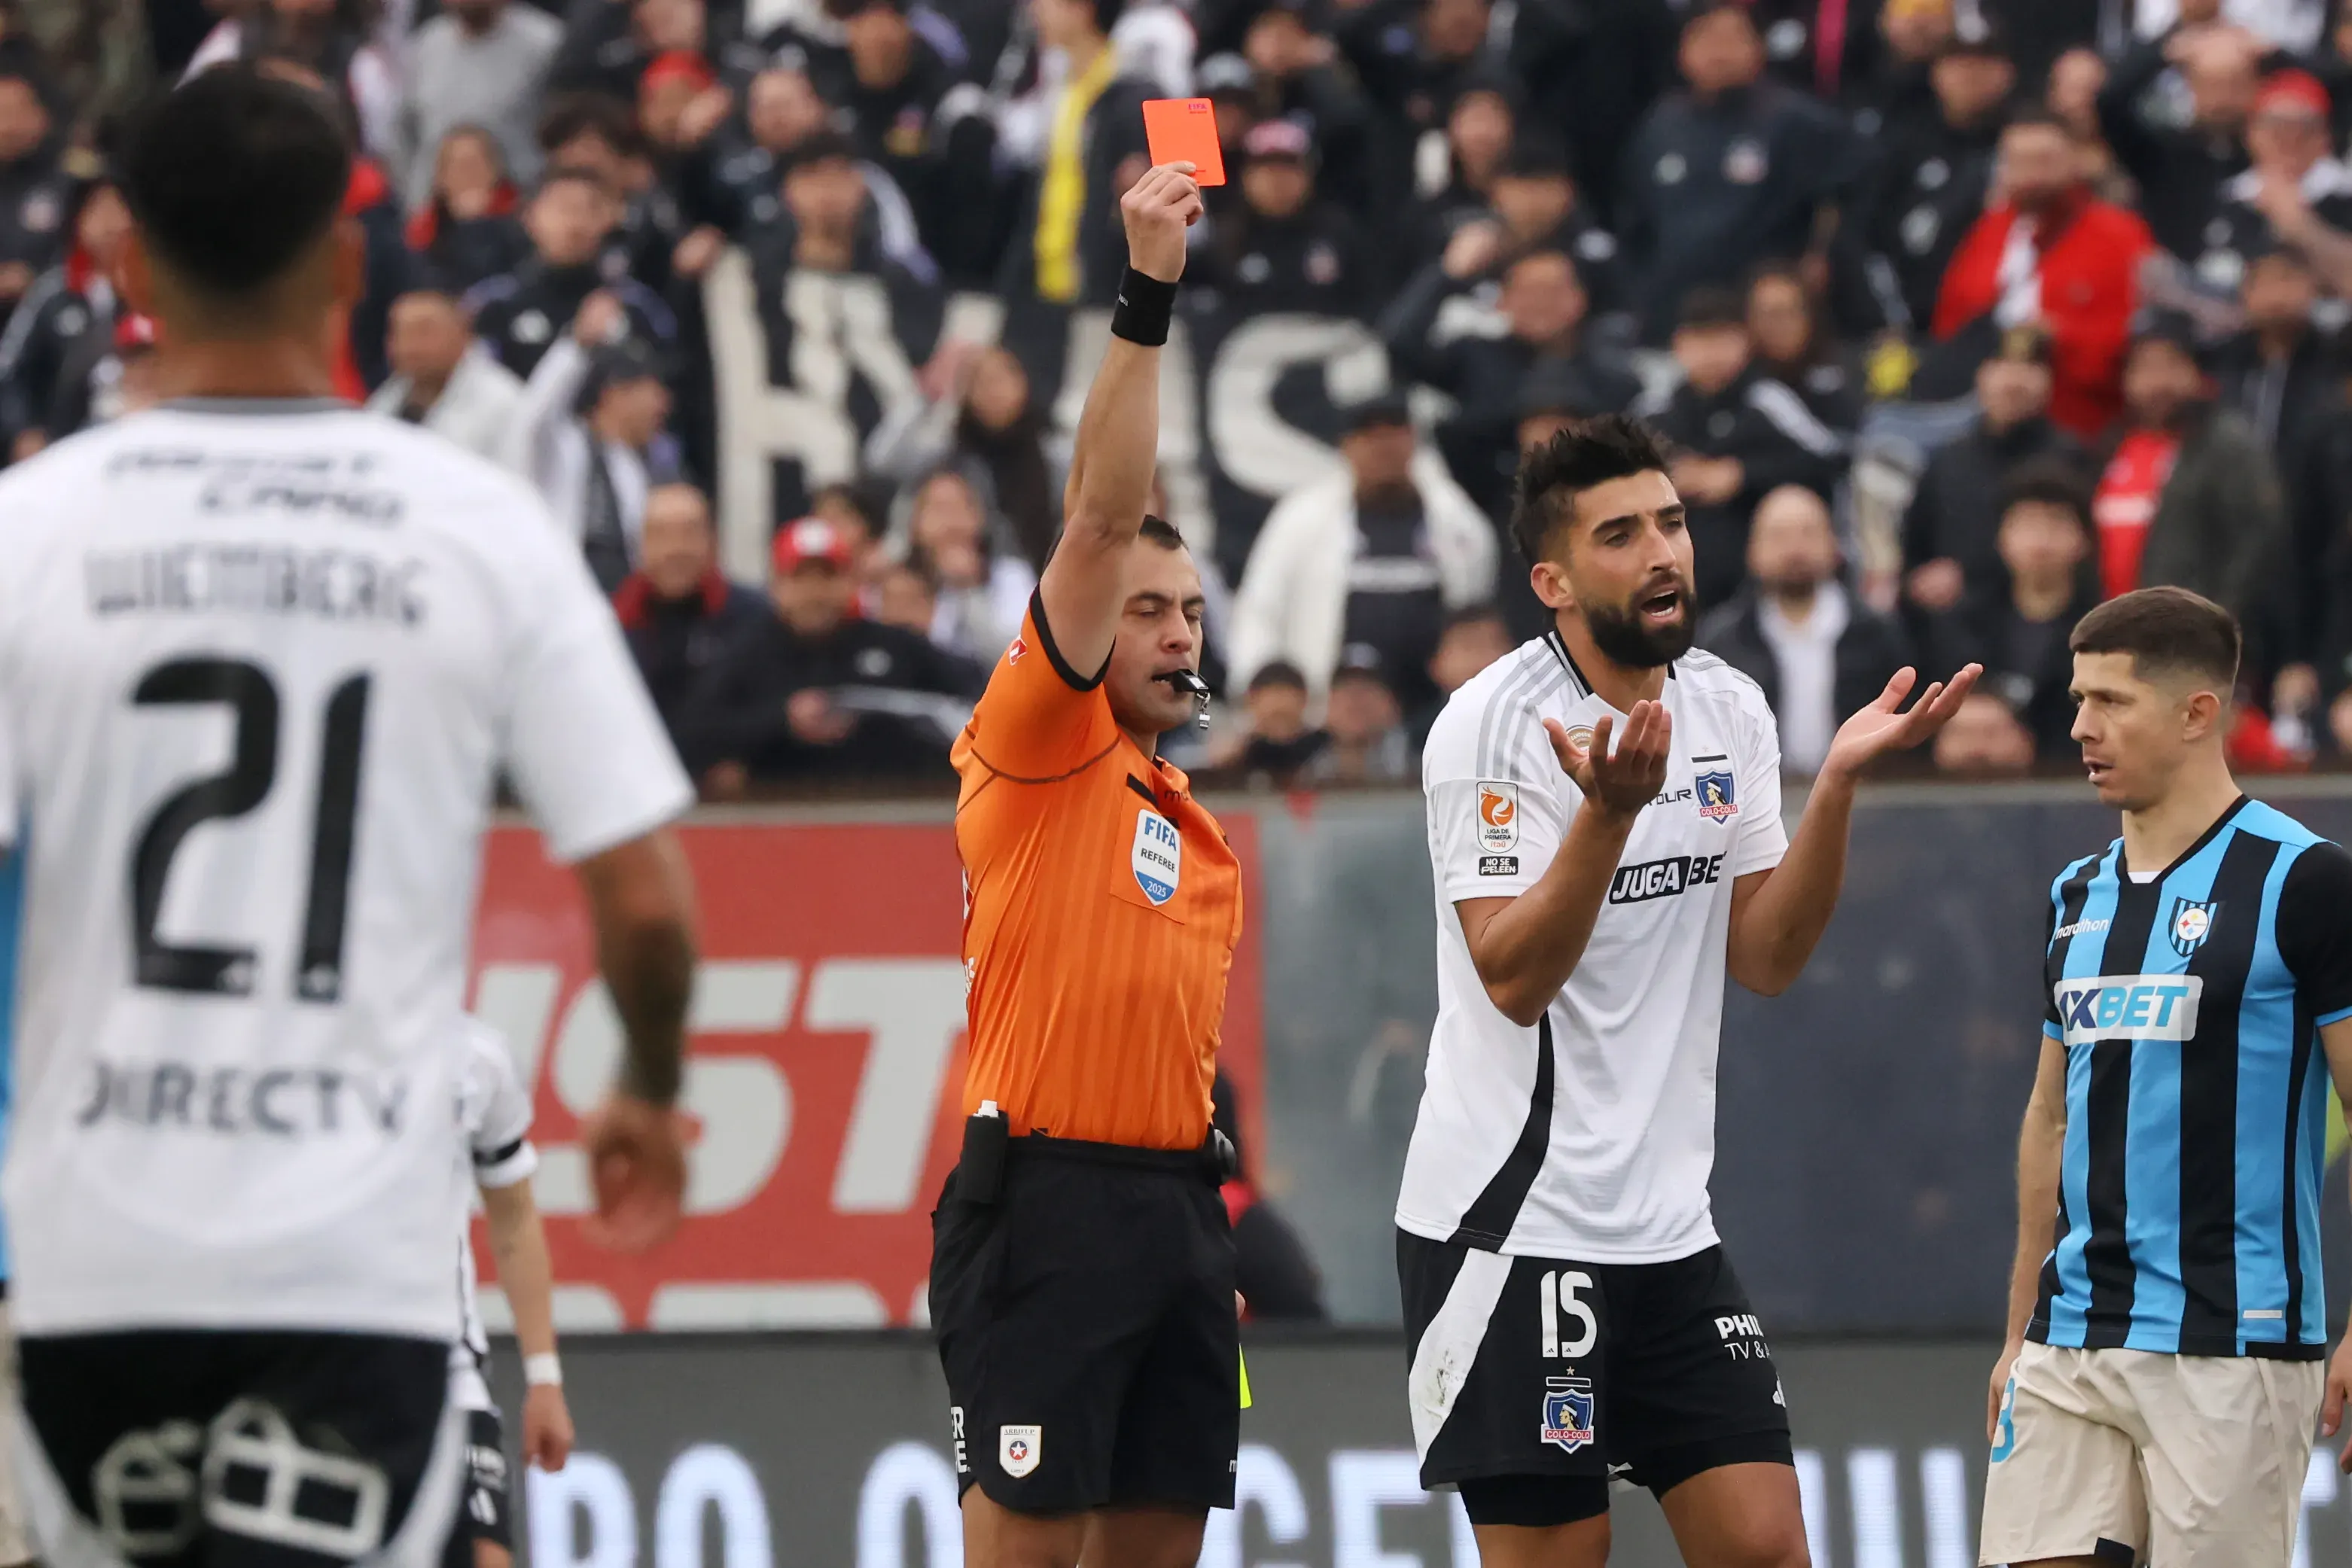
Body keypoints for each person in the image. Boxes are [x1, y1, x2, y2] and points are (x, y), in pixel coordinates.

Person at [0, 69, 696, 1568]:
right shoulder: (472, 524)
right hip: (343, 1269)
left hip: (93, 1257)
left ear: (126, 268)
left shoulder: (31, 533)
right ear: (345, 268)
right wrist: (642, 1081)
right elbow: (642, 895)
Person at [1400, 413, 1977, 1565]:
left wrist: (1836, 791)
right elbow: (1510, 978)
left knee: (1768, 1547)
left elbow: (1764, 955)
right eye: (1621, 533)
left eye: (1671, 521)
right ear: (1552, 579)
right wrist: (1608, 818)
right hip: (1510, 1228)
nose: (1664, 551)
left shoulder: (1730, 706)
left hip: (1669, 1230)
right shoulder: (1493, 725)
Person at [929, 160, 1244, 1568]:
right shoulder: (1035, 740)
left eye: (1189, 609)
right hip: (1043, 1204)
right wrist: (1146, 289)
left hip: (1181, 1208)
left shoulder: (1193, 825)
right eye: (1144, 611)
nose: (1176, 632)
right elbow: (1100, 518)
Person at [1982, 586, 2352, 1568]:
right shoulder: (2075, 893)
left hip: (2234, 1342)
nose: (2081, 727)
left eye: (2111, 701)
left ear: (2199, 713)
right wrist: (2020, 1331)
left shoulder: (2304, 881)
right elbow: (2049, 1118)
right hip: (2071, 1336)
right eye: (2077, 698)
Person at [1229, 392, 1497, 717]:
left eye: (1394, 432)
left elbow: (1480, 616)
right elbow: (1259, 612)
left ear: (1413, 440)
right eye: (1370, 435)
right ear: (1347, 446)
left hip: (1437, 713)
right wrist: (1261, 689)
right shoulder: (1302, 518)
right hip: (1329, 716)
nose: (1383, 445)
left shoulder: (1457, 521)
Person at [1615, 0, 1858, 344]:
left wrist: (1818, 258)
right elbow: (1635, 223)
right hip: (1674, 317)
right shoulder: (1659, 126)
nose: (1719, 52)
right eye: (1706, 39)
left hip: (1761, 320)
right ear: (1683, 51)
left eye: (1732, 39)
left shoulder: (1798, 122)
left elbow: (1842, 198)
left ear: (1758, 48)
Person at [685, 515, 979, 790]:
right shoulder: (747, 653)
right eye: (801, 577)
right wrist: (782, 720)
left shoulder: (895, 645)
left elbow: (974, 698)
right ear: (776, 586)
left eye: (827, 576)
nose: (815, 592)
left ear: (851, 582)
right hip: (781, 819)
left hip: (890, 810)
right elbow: (693, 732)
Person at [1933, 108, 2155, 440]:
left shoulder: (2120, 236)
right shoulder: (1988, 232)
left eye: (2044, 160)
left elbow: (2142, 339)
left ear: (2076, 159)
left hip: (2080, 427)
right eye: (2019, 162)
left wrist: (2060, 337)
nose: (2031, 176)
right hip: (1981, 424)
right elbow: (1950, 323)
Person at [446, 1018, 571, 1568]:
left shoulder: (476, 1058)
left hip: (445, 1365)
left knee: (486, 1557)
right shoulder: (289, 1046)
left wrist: (544, 1377)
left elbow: (515, 1217)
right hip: (308, 1356)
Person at [1642, 287, 1845, 610]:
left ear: (1744, 342)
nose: (1711, 353)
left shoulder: (1768, 401)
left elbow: (1829, 460)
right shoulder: (1654, 414)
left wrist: (1741, 475)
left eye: (1722, 339)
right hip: (1673, 579)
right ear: (1678, 346)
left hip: (1758, 582)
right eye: (1700, 340)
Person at [1695, 485, 1913, 776]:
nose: (1794, 550)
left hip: (1864, 798)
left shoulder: (1878, 635)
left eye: (1808, 533)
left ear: (1835, 545)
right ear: (1752, 551)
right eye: (1778, 536)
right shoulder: (1720, 642)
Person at [2091, 315, 2286, 624]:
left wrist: (2219, 622)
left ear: (2196, 374)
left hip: (2194, 640)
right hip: (2117, 636)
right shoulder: (2112, 447)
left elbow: (2257, 540)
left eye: (2171, 365)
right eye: (2144, 368)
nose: (2158, 383)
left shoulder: (2227, 444)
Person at [1900, 324, 2090, 620]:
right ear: (1980, 374)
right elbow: (1914, 551)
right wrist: (1921, 581)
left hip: (2048, 629)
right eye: (2001, 365)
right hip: (1958, 631)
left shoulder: (2071, 459)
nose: (2014, 381)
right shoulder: (1949, 462)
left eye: (2029, 366)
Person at [1926, 461, 2104, 759]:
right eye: (2027, 524)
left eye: (2057, 523)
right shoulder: (1960, 623)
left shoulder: (2104, 633)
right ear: (2001, 537)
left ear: (2084, 539)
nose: (2042, 540)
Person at [507, 290, 675, 593]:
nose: (662, 406)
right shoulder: (560, 448)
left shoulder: (644, 464)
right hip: (561, 592)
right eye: (652, 393)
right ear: (616, 393)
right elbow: (533, 418)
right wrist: (577, 345)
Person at [613, 482, 771, 772]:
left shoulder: (757, 618)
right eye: (661, 535)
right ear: (640, 544)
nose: (676, 549)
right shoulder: (610, 624)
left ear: (713, 540)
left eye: (689, 533)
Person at [398, 0, 564, 213]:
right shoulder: (426, 45)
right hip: (434, 223)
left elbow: (563, 139)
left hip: (519, 216)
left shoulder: (546, 44)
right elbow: (402, 135)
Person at [368, 287, 528, 465]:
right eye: (398, 333)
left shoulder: (503, 401)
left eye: (423, 332)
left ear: (463, 334)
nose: (409, 347)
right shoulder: (385, 398)